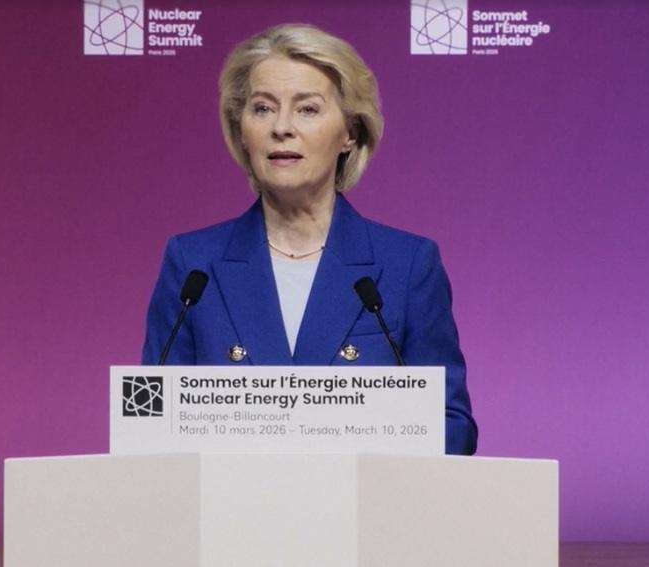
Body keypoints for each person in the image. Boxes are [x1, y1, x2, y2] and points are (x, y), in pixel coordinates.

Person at [142, 24, 477, 455]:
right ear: (242, 131)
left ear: (349, 132)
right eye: (263, 108)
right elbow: (149, 421)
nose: (281, 127)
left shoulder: (407, 266)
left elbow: (452, 427)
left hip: (363, 496)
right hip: (232, 498)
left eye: (307, 109)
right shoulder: (193, 266)